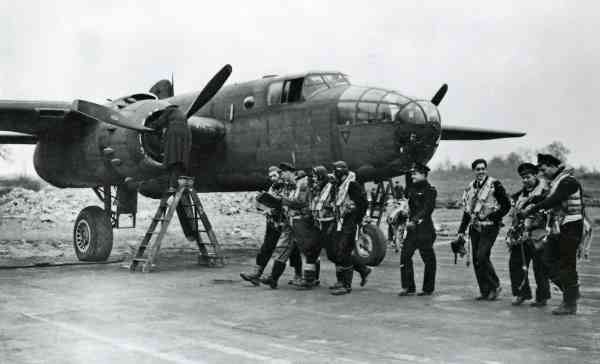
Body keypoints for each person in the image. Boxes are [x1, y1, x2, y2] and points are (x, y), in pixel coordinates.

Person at [519, 154, 584, 315]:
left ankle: (570, 303)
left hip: (572, 227)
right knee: (546, 260)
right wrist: (531, 200)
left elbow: (554, 199)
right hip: (559, 227)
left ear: (553, 166)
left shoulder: (568, 181)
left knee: (567, 265)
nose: (542, 173)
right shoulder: (556, 182)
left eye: (543, 169)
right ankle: (572, 293)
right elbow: (546, 197)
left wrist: (531, 209)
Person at [457, 158, 511, 301]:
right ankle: (485, 290)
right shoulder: (470, 187)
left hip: (490, 226)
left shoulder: (495, 185)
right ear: (474, 171)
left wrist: (495, 216)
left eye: (483, 168)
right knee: (476, 259)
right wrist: (461, 230)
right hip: (475, 227)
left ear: (486, 170)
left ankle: (495, 285)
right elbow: (467, 211)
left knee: (482, 256)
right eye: (478, 169)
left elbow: (506, 205)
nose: (480, 171)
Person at [507, 163, 551, 307]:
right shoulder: (519, 196)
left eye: (528, 177)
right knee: (515, 264)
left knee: (540, 267)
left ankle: (542, 297)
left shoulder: (545, 193)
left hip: (538, 235)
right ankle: (521, 293)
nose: (525, 180)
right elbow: (514, 215)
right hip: (520, 236)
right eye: (523, 178)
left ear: (535, 176)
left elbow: (546, 214)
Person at [259, 163, 303, 289]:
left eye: (281, 173)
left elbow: (299, 202)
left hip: (297, 221)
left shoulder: (298, 184)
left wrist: (281, 201)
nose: (280, 176)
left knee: (308, 250)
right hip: (286, 222)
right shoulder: (280, 185)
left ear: (289, 172)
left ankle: (305, 277)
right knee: (284, 249)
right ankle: (274, 278)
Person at [240, 166, 286, 286]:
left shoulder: (286, 186)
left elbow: (286, 203)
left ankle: (299, 275)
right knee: (267, 247)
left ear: (280, 175)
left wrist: (274, 208)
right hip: (272, 221)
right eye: (270, 176)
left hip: (284, 222)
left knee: (292, 249)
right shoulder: (272, 187)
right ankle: (256, 274)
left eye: (274, 176)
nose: (272, 178)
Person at [330, 161, 369, 295]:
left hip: (349, 223)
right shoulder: (339, 186)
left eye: (335, 171)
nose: (333, 173)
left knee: (344, 251)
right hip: (340, 221)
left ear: (340, 172)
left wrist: (356, 218)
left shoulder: (352, 185)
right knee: (337, 251)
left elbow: (363, 203)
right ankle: (361, 271)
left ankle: (346, 285)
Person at [398, 163, 437, 296]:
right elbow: (406, 202)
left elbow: (427, 209)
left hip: (425, 230)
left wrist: (414, 220)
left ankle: (428, 288)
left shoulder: (430, 190)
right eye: (412, 173)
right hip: (412, 231)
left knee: (428, 259)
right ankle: (408, 287)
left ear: (424, 175)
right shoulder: (411, 189)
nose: (412, 175)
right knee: (405, 256)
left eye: (415, 173)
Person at [157, 105, 192, 191]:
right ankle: (178, 185)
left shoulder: (169, 110)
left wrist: (153, 127)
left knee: (172, 160)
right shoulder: (181, 114)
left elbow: (160, 122)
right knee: (180, 160)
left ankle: (172, 186)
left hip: (174, 134)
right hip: (185, 135)